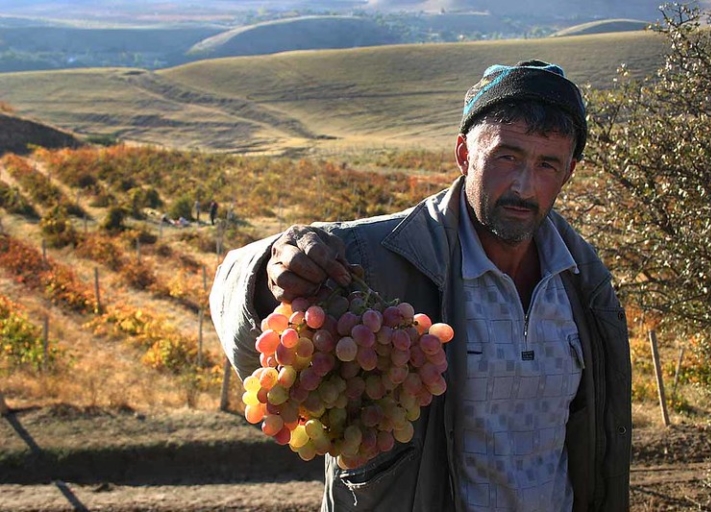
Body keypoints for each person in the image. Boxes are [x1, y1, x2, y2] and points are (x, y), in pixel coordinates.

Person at [210, 60, 631, 511]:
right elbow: (231, 283)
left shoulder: (585, 283)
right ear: (464, 154)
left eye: (547, 164)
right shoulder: (376, 255)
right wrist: (270, 273)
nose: (524, 187)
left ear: (569, 172)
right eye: (506, 157)